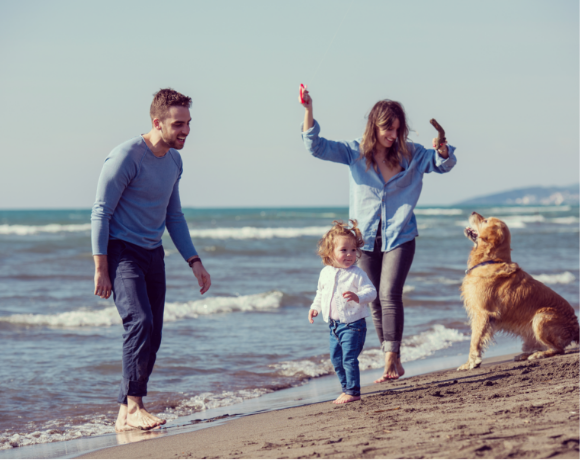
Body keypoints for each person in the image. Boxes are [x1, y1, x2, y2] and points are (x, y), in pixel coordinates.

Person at [300, 89, 457, 383]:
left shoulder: (414, 154)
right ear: (375, 126)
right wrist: (308, 109)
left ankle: (390, 358)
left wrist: (444, 151)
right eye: (388, 128)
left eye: (398, 129)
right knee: (371, 300)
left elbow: (442, 164)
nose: (393, 135)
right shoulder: (355, 153)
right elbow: (316, 147)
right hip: (364, 239)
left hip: (401, 235)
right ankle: (392, 356)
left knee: (388, 294)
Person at [91, 88, 211, 432]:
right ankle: (134, 406)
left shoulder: (174, 161)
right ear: (156, 122)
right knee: (139, 322)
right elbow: (101, 211)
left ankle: (124, 415)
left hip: (152, 253)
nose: (185, 130)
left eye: (188, 123)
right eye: (178, 124)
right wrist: (101, 266)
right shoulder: (126, 156)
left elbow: (174, 216)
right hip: (121, 251)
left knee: (153, 332)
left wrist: (194, 260)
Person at [309, 220, 377, 404]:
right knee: (336, 360)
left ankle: (353, 392)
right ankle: (346, 388)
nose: (349, 254)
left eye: (353, 250)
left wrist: (358, 296)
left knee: (349, 358)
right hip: (333, 326)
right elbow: (321, 293)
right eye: (343, 250)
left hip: (353, 325)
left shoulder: (357, 273)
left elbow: (371, 292)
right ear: (330, 252)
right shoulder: (325, 273)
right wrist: (315, 308)